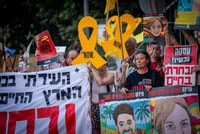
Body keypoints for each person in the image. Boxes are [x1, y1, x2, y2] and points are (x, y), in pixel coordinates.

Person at [87, 62, 114, 134]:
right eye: (99, 65)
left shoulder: (110, 76)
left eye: (104, 65)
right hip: (94, 106)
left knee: (107, 128)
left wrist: (92, 69)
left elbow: (100, 82)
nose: (101, 67)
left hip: (105, 107)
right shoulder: (92, 76)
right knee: (95, 129)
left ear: (107, 66)